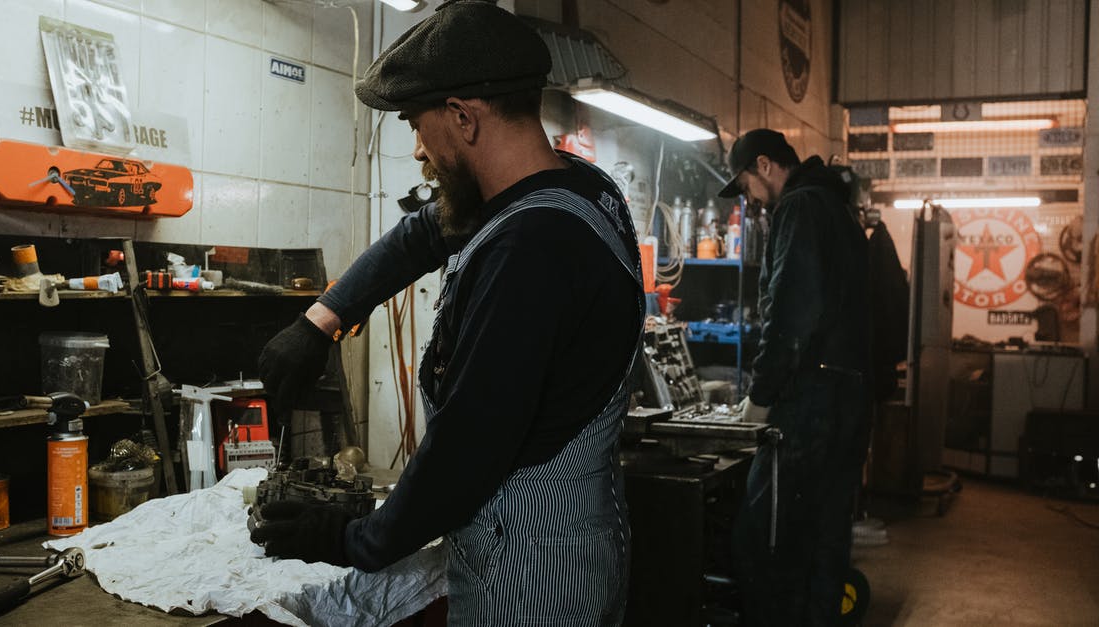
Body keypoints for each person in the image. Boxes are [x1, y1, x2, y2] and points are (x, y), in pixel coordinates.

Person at [250, 1, 645, 624]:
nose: (416, 150)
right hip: (578, 535)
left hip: (530, 574)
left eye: (416, 124)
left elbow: (467, 447)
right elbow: (425, 233)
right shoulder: (575, 188)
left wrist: (352, 539)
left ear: (463, 118)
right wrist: (320, 320)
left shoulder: (529, 249)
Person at [717, 129, 871, 625]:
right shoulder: (838, 209)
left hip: (811, 405)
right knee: (826, 541)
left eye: (744, 185)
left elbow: (790, 311)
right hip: (851, 397)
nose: (748, 199)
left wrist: (759, 399)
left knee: (764, 542)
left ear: (764, 165)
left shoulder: (801, 208)